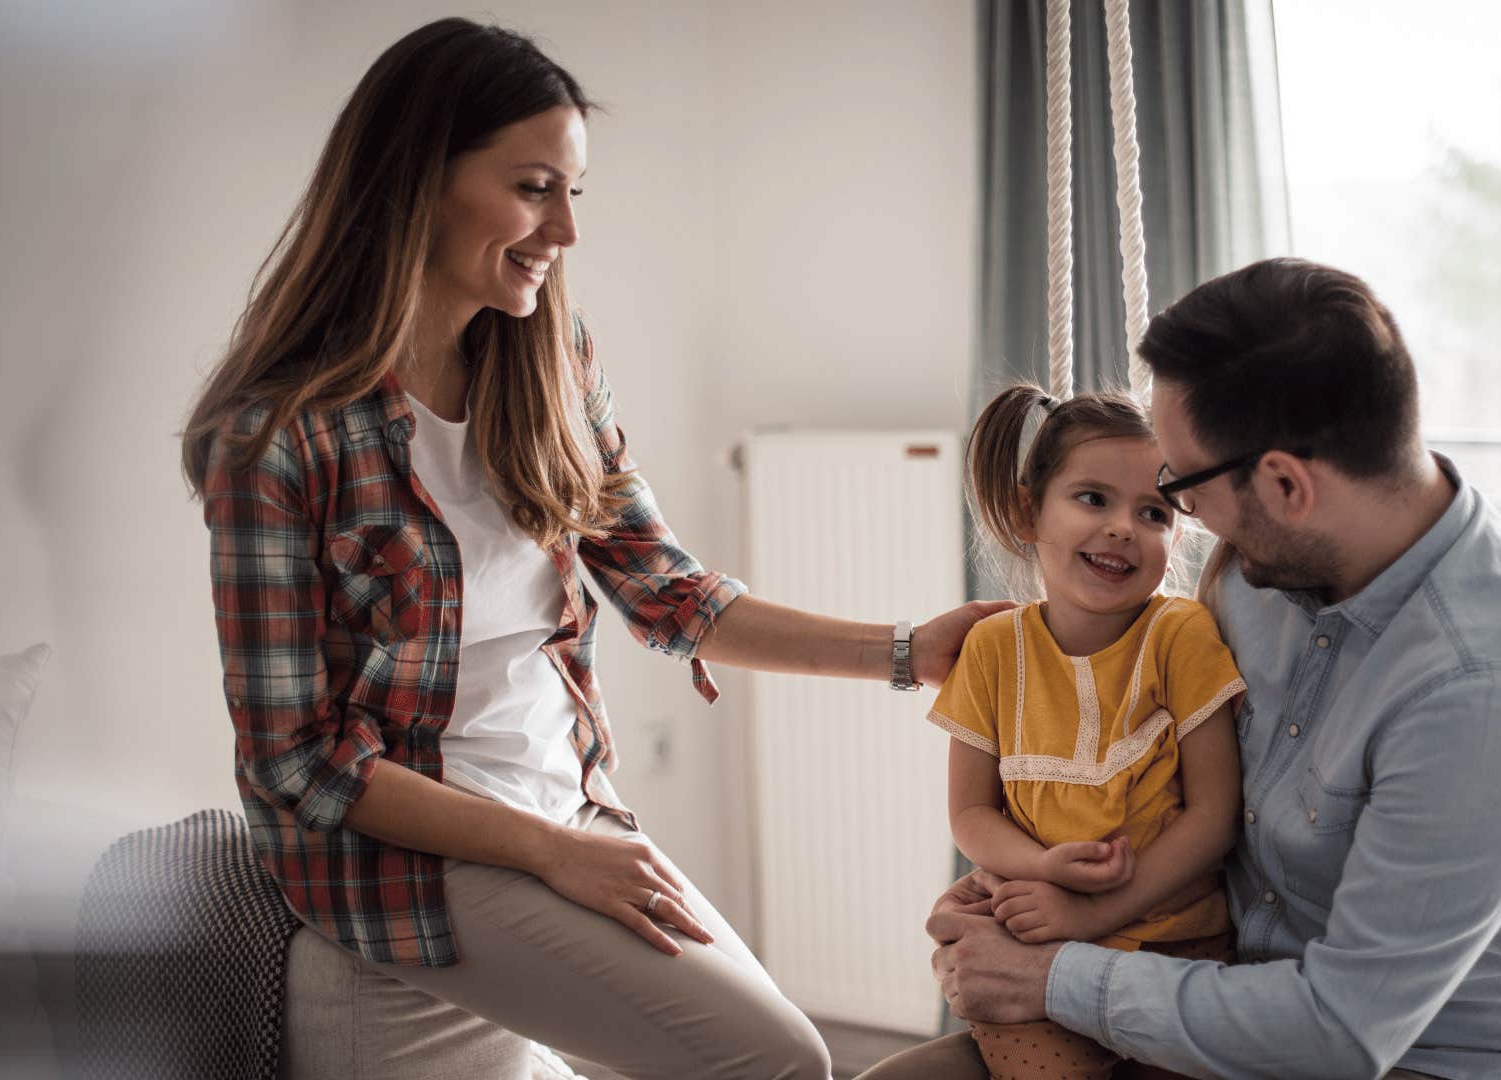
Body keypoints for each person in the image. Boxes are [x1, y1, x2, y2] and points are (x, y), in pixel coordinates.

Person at [180, 18, 1006, 1080]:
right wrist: (551, 854)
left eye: (576, 192)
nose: (565, 229)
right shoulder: (278, 438)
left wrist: (912, 650)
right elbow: (295, 762)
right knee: (777, 1061)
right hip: (413, 862)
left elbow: (669, 596)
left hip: (567, 814)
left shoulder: (549, 362)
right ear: (420, 180)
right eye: (534, 188)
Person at [862, 258, 1501, 1080]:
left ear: (1285, 483)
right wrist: (1007, 890)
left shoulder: (1486, 692)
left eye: (1177, 490)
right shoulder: (1262, 572)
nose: (1179, 521)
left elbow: (1339, 1034)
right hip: (1199, 990)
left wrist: (1051, 972)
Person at [929, 384, 1244, 1079]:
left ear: (1178, 535)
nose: (1123, 527)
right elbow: (971, 812)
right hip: (1031, 956)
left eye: (1153, 512)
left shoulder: (1181, 634)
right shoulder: (989, 649)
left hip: (1175, 955)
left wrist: (1088, 914)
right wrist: (1042, 872)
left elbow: (1215, 816)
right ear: (1027, 509)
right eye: (1093, 498)